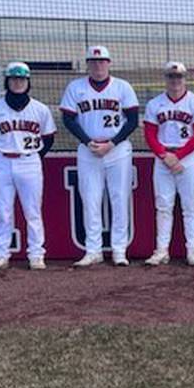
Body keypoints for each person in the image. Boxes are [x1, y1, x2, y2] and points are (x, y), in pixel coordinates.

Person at [62, 46, 139, 267]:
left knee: (119, 198)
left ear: (109, 63)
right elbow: (68, 119)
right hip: (89, 149)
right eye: (94, 62)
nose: (98, 66)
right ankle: (93, 250)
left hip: (118, 149)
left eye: (102, 61)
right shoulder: (75, 87)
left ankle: (119, 250)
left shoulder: (122, 87)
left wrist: (112, 143)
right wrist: (87, 141)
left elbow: (133, 120)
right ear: (87, 64)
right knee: (90, 199)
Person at [0, 62, 56, 272]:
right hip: (2, 162)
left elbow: (48, 138)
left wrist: (32, 156)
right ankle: (0, 255)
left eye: (22, 79)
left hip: (29, 161)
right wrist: (3, 154)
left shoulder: (40, 109)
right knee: (3, 212)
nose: (18, 83)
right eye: (14, 79)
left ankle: (36, 255)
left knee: (33, 212)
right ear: (7, 81)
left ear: (28, 82)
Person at [142, 62, 194, 267]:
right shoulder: (155, 104)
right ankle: (162, 250)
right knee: (163, 206)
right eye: (171, 76)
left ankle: (192, 251)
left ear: (184, 78)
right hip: (163, 157)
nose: (175, 80)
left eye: (179, 76)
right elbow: (150, 134)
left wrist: (178, 156)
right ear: (166, 78)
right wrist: (165, 155)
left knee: (190, 206)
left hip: (187, 158)